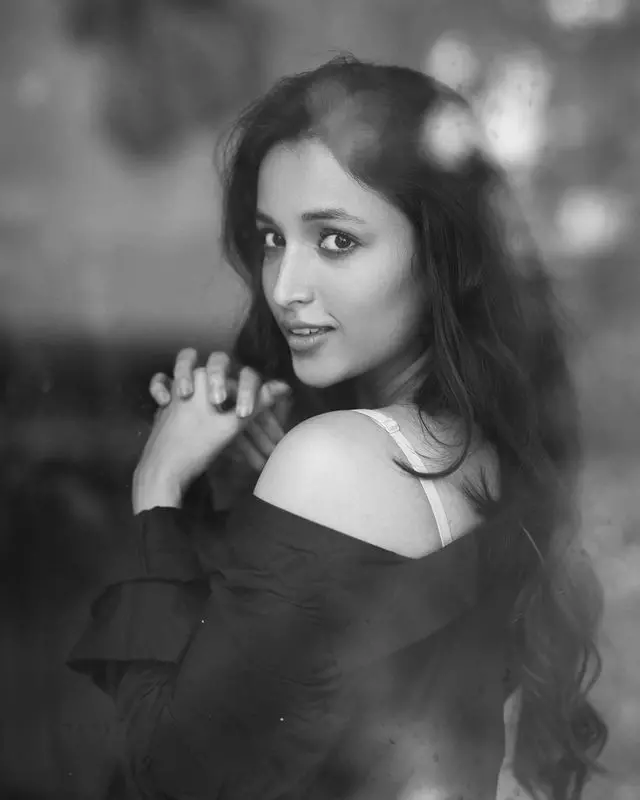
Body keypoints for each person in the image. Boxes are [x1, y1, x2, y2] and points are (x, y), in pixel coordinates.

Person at [67, 56, 608, 799]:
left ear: (438, 254)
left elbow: (171, 776)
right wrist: (253, 492)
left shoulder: (332, 461)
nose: (285, 288)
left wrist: (158, 483)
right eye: (271, 239)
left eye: (336, 241)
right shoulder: (480, 450)